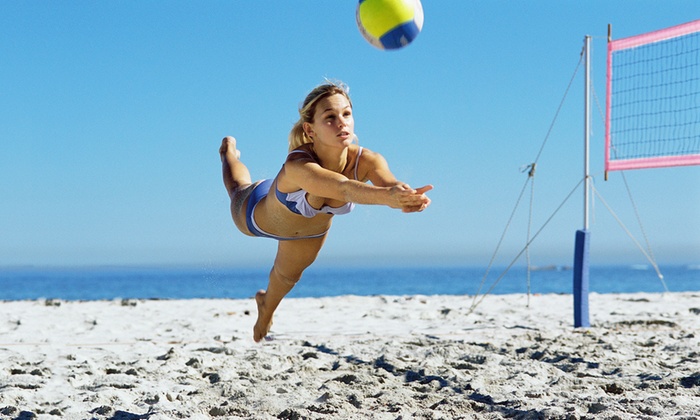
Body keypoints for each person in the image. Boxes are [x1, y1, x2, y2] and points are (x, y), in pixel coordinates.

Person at [220, 81, 432, 342]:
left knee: (286, 278)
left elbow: (389, 183)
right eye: (330, 117)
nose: (341, 122)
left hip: (308, 235)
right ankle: (228, 154)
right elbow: (342, 189)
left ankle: (265, 308)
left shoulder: (368, 160)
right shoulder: (298, 164)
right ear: (310, 129)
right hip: (257, 214)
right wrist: (388, 198)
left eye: (346, 114)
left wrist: (407, 196)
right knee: (237, 187)